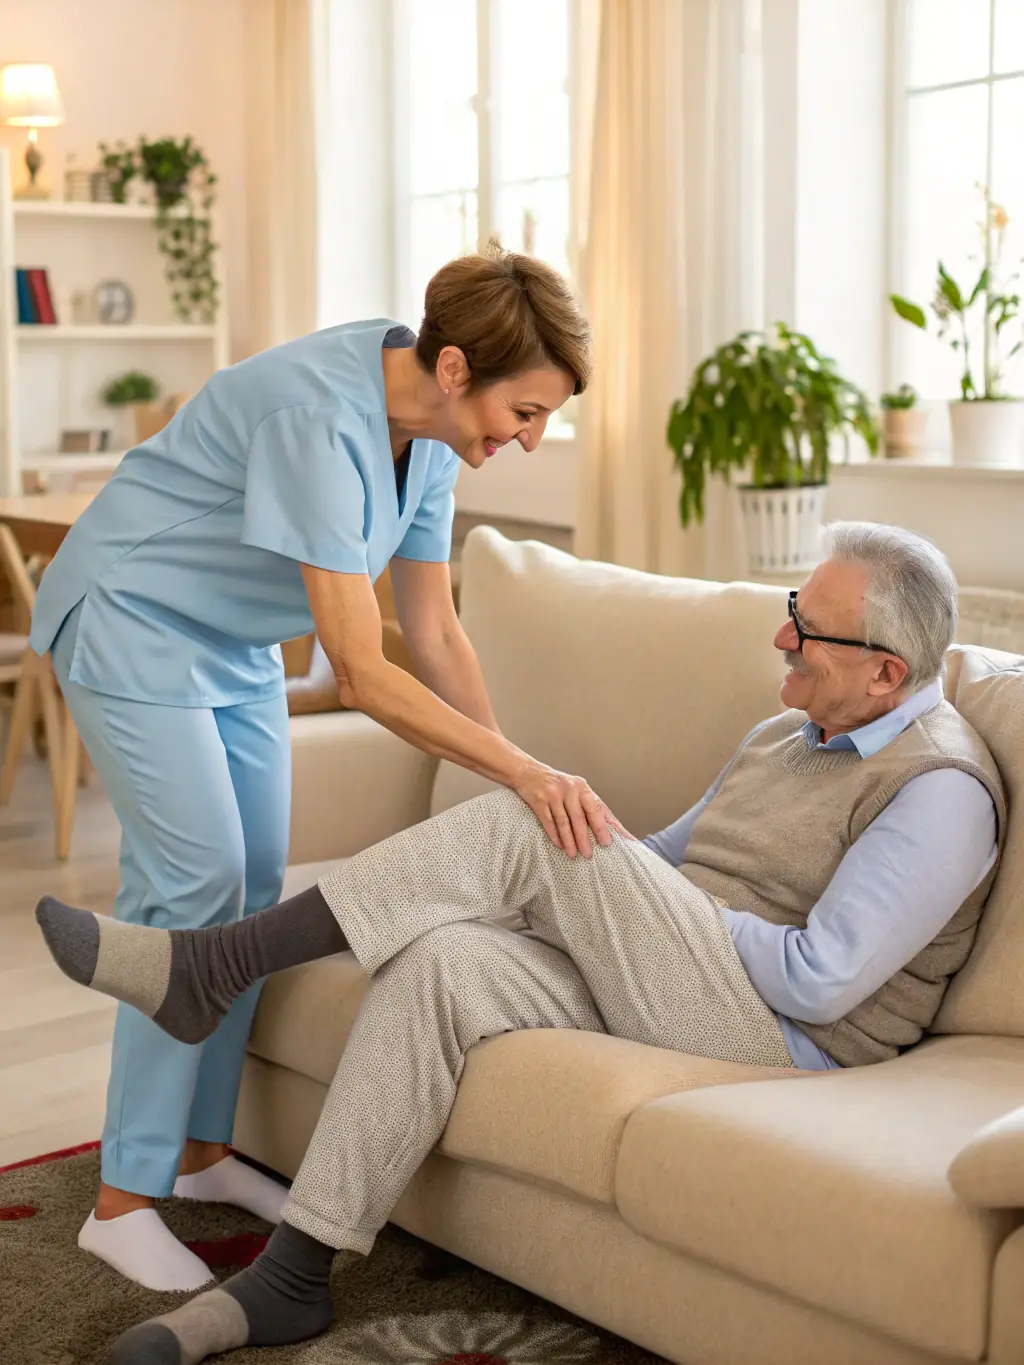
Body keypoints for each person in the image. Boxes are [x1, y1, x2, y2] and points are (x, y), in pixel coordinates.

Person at [37, 520, 1006, 1364]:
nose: (779, 636)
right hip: (685, 980)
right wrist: (595, 898)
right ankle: (295, 1274)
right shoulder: (781, 734)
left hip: (786, 1040)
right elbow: (664, 858)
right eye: (793, 604)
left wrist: (605, 892)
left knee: (533, 816)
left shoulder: (937, 790)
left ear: (887, 671)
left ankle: (214, 964)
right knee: (442, 962)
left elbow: (822, 979)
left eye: (809, 628)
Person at [29, 250, 622, 1292]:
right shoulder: (318, 414)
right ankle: (121, 1201)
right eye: (523, 413)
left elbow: (433, 633)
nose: (525, 440)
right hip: (132, 614)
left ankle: (204, 1158)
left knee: (252, 889)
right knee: (194, 883)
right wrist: (526, 775)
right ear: (453, 367)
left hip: (235, 644)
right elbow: (360, 670)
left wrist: (505, 781)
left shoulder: (436, 437)